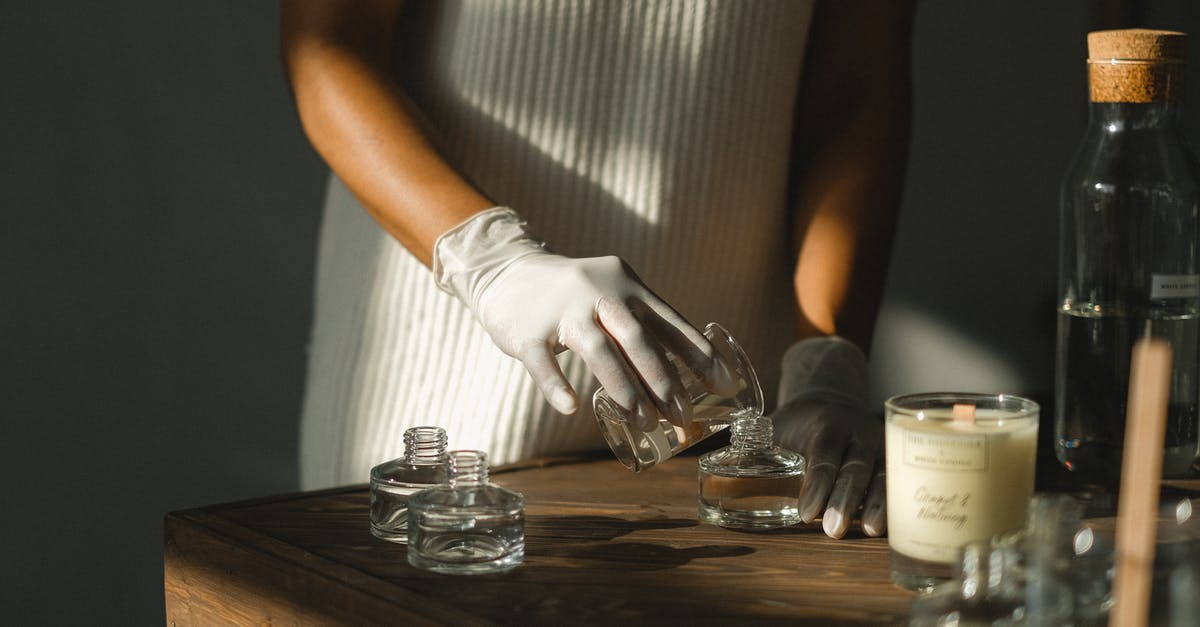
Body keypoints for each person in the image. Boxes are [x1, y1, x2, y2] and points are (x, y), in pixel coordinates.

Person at [281, 0, 913, 539]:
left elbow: (855, 95)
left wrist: (824, 366)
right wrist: (492, 260)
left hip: (729, 432)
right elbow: (330, 43)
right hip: (445, 384)